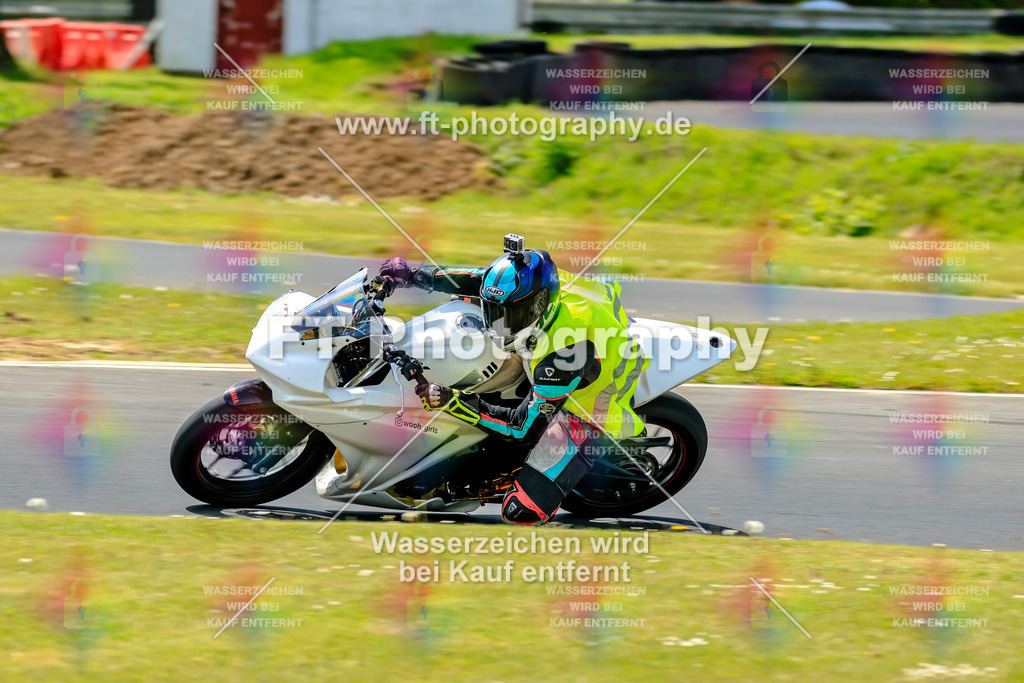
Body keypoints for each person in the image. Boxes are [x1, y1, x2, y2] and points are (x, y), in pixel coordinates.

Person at [377, 234, 648, 525]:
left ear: (539, 304)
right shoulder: (535, 284)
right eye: (496, 311)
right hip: (581, 332)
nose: (499, 321)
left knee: (519, 514)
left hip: (593, 402)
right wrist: (413, 275)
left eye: (511, 314)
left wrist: (453, 402)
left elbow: (521, 428)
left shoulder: (563, 355)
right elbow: (479, 281)